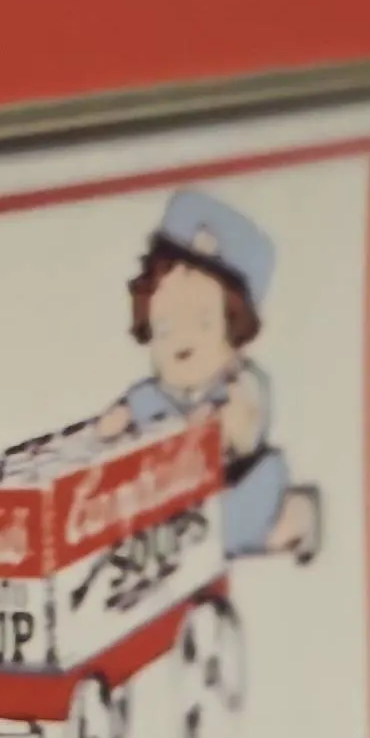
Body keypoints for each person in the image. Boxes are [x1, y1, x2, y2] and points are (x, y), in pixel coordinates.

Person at [91, 186, 321, 561]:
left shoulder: (238, 386)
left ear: (234, 330)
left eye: (203, 323)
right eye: (165, 328)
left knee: (224, 528)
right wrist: (117, 419)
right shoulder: (157, 394)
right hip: (178, 492)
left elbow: (244, 430)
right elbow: (127, 412)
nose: (183, 341)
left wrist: (224, 430)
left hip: (236, 482)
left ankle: (292, 519)